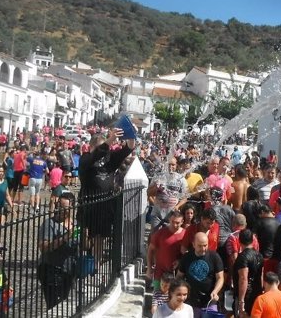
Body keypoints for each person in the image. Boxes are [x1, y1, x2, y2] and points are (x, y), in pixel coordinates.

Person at [78, 128, 135, 271]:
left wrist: (131, 136)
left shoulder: (109, 160)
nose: (104, 152)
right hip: (88, 205)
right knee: (85, 240)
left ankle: (94, 265)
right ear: (91, 147)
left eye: (106, 148)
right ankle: (84, 258)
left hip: (105, 206)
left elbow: (126, 150)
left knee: (101, 238)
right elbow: (95, 156)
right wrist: (109, 141)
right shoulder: (85, 159)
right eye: (101, 148)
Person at [37, 192, 83, 309]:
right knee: (54, 306)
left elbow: (84, 246)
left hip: (69, 271)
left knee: (63, 304)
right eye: (59, 206)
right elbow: (43, 247)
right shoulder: (49, 224)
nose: (60, 209)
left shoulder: (76, 224)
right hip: (52, 269)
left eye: (64, 208)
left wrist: (86, 237)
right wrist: (66, 237)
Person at [178, 232, 224, 316]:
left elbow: (220, 278)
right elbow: (179, 277)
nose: (203, 249)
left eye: (205, 245)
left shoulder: (214, 257)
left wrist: (215, 291)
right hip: (191, 301)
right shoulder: (187, 257)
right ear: (193, 244)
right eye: (200, 246)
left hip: (210, 301)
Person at [147, 211, 186, 291]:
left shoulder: (185, 235)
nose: (174, 225)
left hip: (177, 273)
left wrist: (179, 261)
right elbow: (150, 250)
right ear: (169, 220)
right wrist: (149, 268)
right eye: (172, 222)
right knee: (157, 295)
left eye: (177, 223)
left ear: (182, 222)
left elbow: (188, 253)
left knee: (173, 297)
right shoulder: (160, 233)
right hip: (159, 273)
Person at [232, 229, 263, 317]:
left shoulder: (242, 257)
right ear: (252, 240)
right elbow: (261, 276)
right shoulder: (259, 255)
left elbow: (243, 278)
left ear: (239, 241)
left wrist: (241, 301)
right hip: (256, 293)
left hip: (245, 295)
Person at [255, 203, 281, 274]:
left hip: (264, 258)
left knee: (265, 282)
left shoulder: (259, 223)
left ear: (262, 212)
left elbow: (255, 241)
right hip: (279, 259)